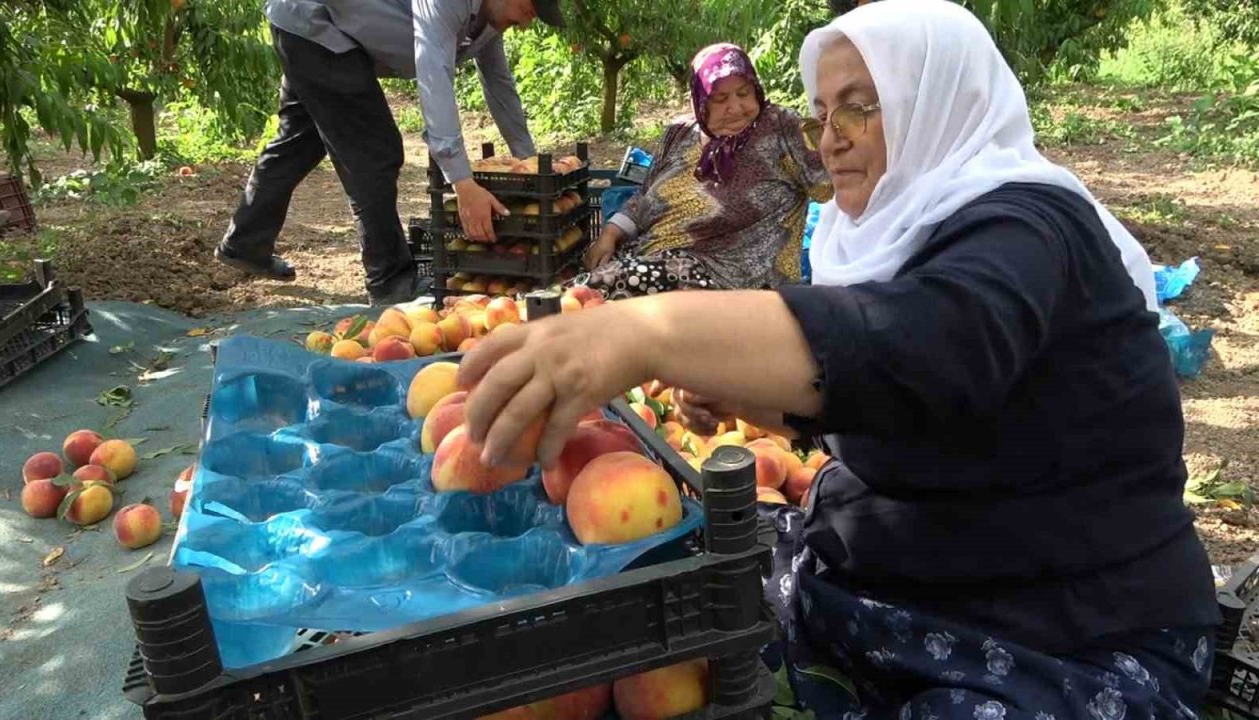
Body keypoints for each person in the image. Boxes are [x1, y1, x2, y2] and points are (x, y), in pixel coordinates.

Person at [455, 1, 1220, 717]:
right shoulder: (900, 232)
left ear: (939, 103)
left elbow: (928, 344)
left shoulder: (1030, 227)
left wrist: (643, 333)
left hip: (1069, 631)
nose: (832, 135)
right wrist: (746, 393)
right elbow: (905, 403)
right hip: (935, 585)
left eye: (865, 104)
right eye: (824, 112)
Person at [216, 0, 563, 305]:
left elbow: (498, 83)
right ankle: (389, 279)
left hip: (327, 24)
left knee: (299, 141)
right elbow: (434, 77)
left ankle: (245, 242)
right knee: (375, 151)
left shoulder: (488, 19)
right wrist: (462, 182)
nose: (528, 20)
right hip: (313, 20)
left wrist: (528, 162)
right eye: (530, 7)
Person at [577, 43, 831, 297]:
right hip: (649, 260)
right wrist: (609, 234)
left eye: (744, 93)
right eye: (720, 99)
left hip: (725, 277)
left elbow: (835, 179)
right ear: (700, 101)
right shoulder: (680, 133)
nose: (735, 107)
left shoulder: (780, 127)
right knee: (580, 289)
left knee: (586, 296)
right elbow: (644, 197)